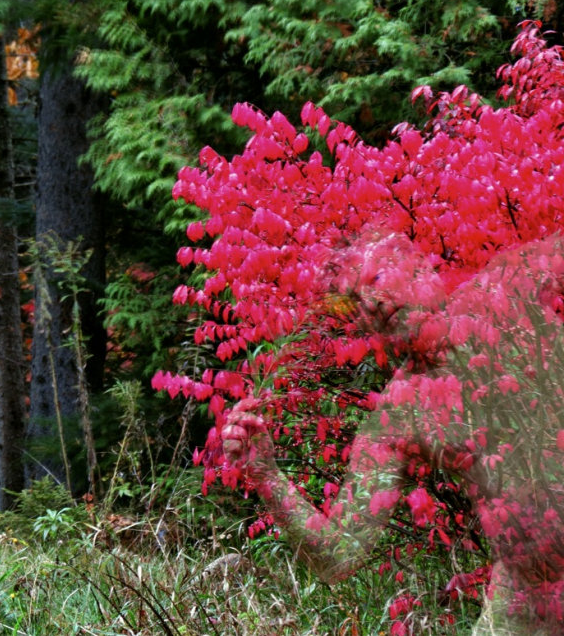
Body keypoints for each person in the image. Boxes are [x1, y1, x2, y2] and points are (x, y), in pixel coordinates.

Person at [222, 237, 564, 635]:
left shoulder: (511, 288)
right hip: (528, 602)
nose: (371, 300)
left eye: (378, 276)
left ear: (424, 270)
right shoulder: (399, 418)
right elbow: (339, 554)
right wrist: (265, 474)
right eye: (355, 300)